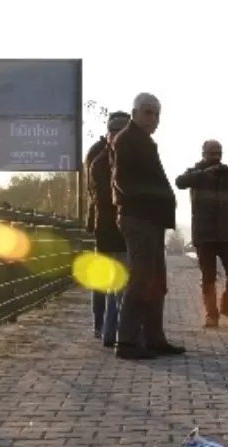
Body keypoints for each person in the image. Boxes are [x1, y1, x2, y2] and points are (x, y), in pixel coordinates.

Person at [111, 92, 183, 360]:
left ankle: (154, 338)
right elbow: (123, 181)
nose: (153, 118)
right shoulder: (127, 140)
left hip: (152, 220)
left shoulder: (145, 142)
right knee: (141, 279)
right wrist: (155, 197)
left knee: (156, 281)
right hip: (138, 217)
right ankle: (127, 342)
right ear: (135, 113)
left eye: (156, 114)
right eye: (148, 112)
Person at [175, 140, 228, 327]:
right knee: (208, 275)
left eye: (218, 152)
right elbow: (180, 182)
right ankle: (212, 315)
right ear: (203, 153)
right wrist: (203, 174)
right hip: (205, 234)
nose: (215, 156)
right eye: (211, 153)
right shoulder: (195, 173)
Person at [86, 111, 131, 347]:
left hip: (104, 223)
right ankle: (106, 328)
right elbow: (100, 193)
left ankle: (104, 327)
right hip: (108, 223)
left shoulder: (98, 153)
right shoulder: (101, 157)